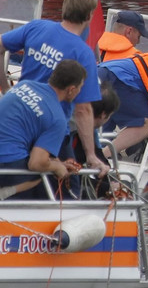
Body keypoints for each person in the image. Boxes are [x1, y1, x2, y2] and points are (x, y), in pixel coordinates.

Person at [0, 0, 109, 176]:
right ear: (90, 16)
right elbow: (83, 110)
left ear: (64, 7)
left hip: (18, 118)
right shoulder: (83, 54)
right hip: (51, 129)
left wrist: (5, 88)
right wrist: (91, 155)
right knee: (71, 188)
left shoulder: (36, 27)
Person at [0, 59, 86, 199]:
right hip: (6, 163)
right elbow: (36, 163)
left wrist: (57, 162)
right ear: (71, 89)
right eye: (80, 88)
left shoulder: (24, 85)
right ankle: (5, 194)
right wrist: (58, 168)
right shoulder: (57, 118)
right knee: (39, 175)